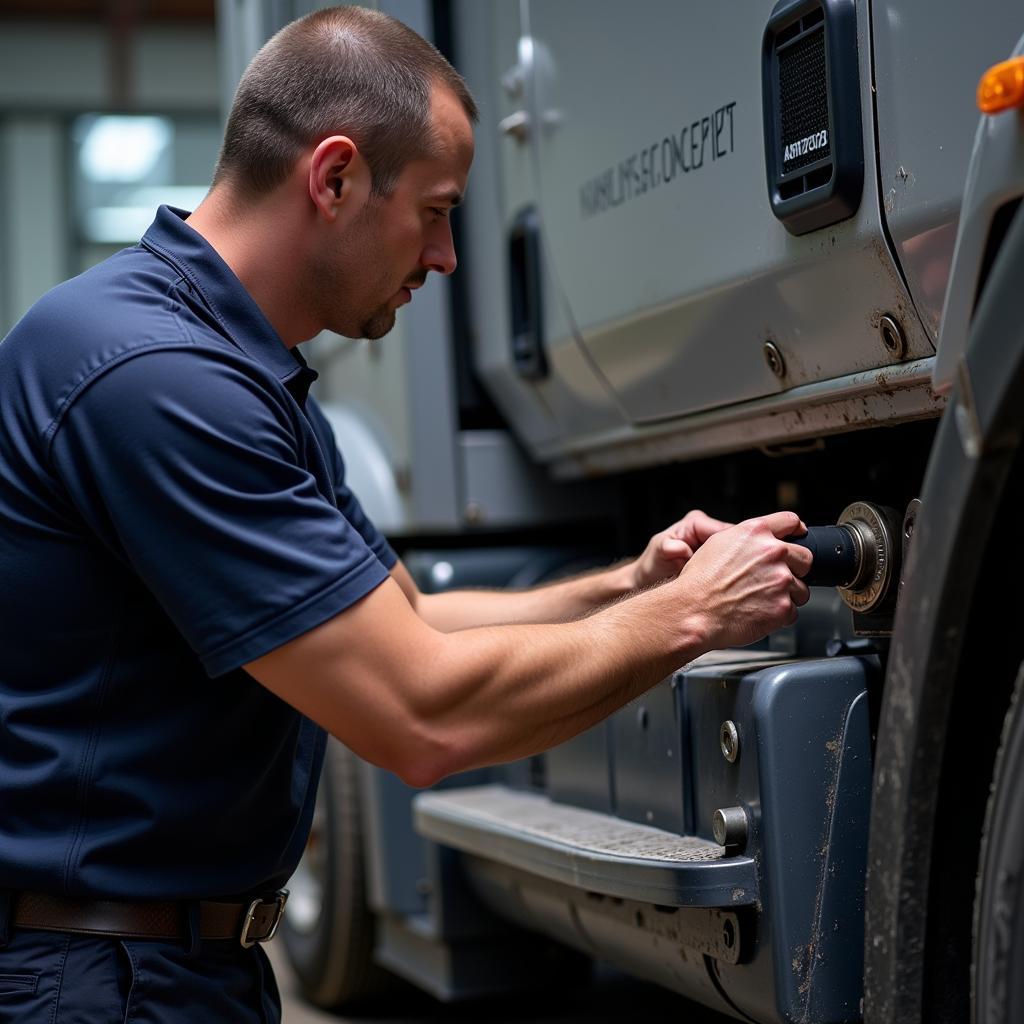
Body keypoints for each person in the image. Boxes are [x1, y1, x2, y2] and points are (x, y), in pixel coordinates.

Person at [0, 5, 811, 1021]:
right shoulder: (157, 379)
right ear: (333, 177)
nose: (447, 259)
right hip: (99, 980)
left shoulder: (240, 373)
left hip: (173, 965)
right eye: (433, 211)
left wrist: (633, 583)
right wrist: (691, 617)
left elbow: (409, 623)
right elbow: (420, 713)